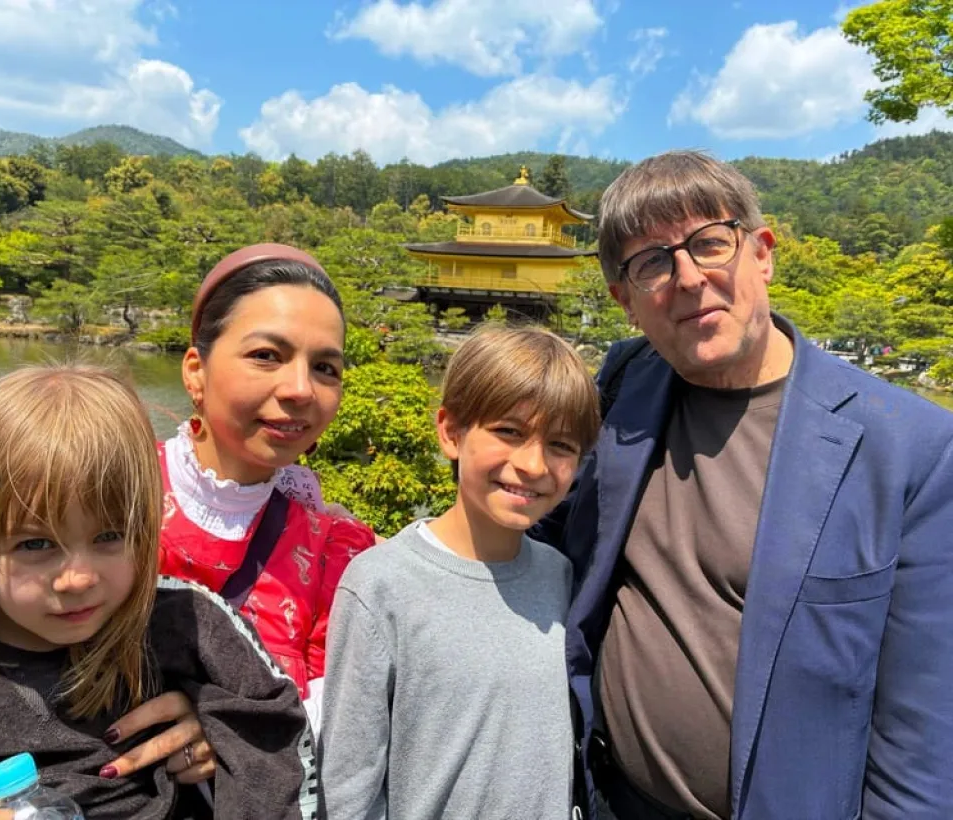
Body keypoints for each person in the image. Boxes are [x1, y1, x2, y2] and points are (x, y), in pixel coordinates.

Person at [532, 150, 953, 819]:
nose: (689, 278)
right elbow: (542, 520)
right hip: (611, 798)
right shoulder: (623, 383)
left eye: (710, 243)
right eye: (652, 263)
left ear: (762, 252)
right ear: (626, 302)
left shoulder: (910, 447)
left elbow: (922, 737)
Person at [0, 365, 318, 820]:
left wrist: (226, 735)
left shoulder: (188, 629)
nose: (77, 578)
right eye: (35, 544)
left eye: (109, 536)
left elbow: (277, 744)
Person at [319, 325, 601, 820]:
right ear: (450, 431)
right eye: (509, 432)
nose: (533, 464)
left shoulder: (561, 578)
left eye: (561, 445)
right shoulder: (380, 586)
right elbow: (348, 786)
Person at [158, 243, 376, 733]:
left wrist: (228, 731)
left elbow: (333, 716)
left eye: (325, 368)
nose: (301, 389)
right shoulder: (108, 494)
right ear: (196, 369)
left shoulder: (334, 553)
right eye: (266, 355)